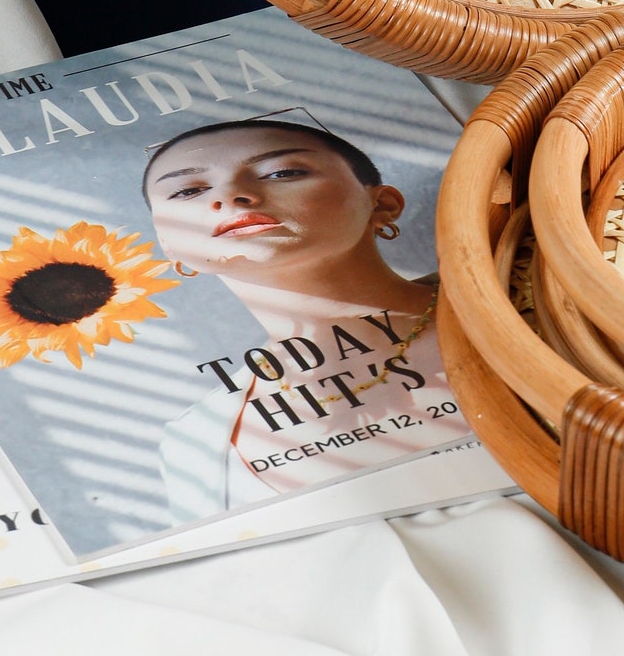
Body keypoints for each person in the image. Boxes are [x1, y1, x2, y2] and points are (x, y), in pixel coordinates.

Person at [142, 115, 470, 522]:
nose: (231, 196)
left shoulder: (524, 292)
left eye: (281, 172)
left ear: (382, 204)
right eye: (188, 191)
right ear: (168, 244)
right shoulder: (196, 443)